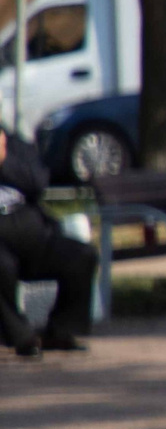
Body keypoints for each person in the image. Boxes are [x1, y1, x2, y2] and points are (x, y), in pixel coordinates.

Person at [0, 125, 97, 357]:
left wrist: (3, 161)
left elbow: (38, 182)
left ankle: (60, 331)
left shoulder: (16, 147)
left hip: (33, 235)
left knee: (81, 256)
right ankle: (22, 337)